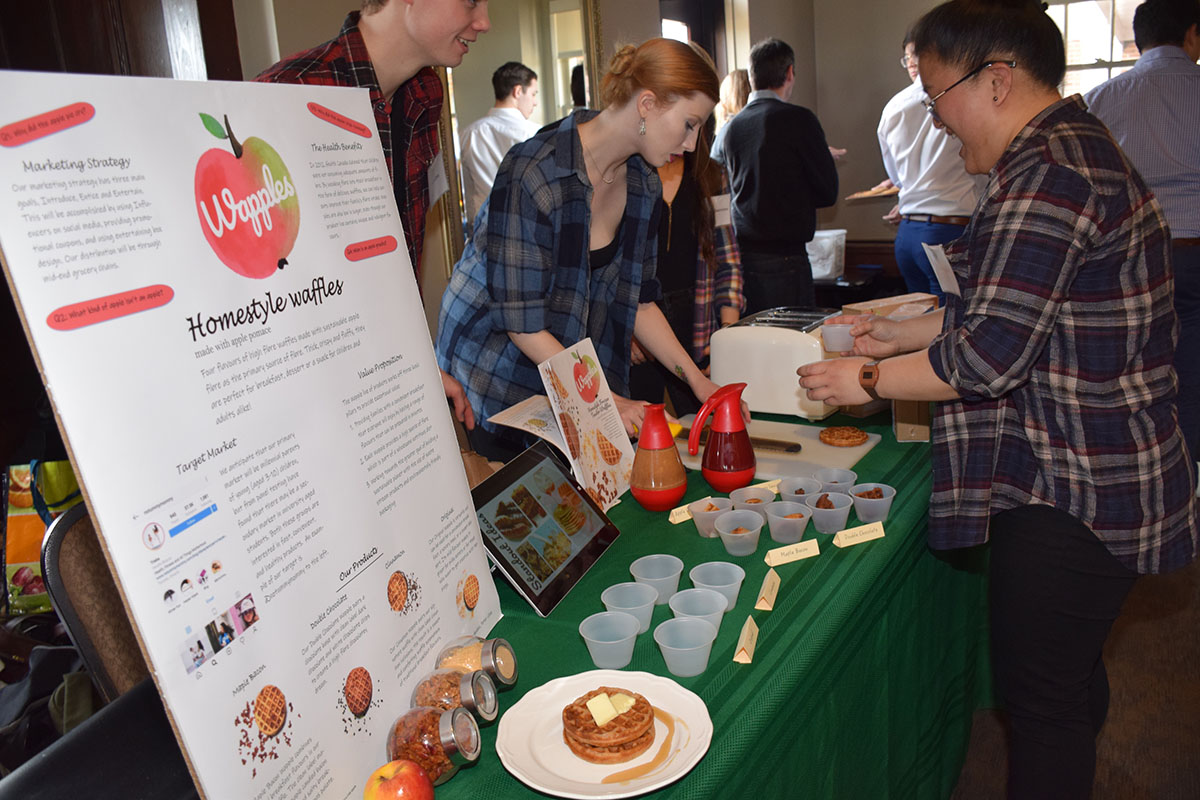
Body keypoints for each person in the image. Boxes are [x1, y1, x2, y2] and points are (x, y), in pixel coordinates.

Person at [797, 2, 1197, 797]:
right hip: (1093, 466)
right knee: (1068, 680)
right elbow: (1009, 305)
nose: (938, 122)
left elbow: (985, 356)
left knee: (1042, 703)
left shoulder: (1051, 173)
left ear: (998, 80)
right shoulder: (1058, 154)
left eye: (939, 96)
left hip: (1076, 485)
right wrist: (896, 337)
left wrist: (864, 381)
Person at [437, 38, 728, 461]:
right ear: (647, 103)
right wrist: (604, 401)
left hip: (569, 370)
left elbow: (640, 302)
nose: (691, 143)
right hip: (497, 373)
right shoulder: (536, 171)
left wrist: (700, 384)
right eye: (689, 124)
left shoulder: (643, 183)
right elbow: (522, 324)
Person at [256, 0, 484, 431]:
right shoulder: (290, 93)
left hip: (385, 381)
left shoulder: (425, 95)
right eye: (471, 1)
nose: (484, 21)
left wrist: (411, 365)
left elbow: (389, 269)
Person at [1085, 0, 1200, 478]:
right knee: (1193, 369)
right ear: (1193, 35)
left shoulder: (1100, 98)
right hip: (1196, 250)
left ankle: (1143, 474)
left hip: (1127, 258)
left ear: (1140, 38)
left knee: (1134, 369)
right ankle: (1188, 476)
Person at [711, 38, 838, 314]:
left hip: (740, 259)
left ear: (752, 75)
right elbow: (828, 191)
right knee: (793, 346)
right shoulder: (800, 121)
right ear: (789, 73)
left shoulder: (729, 129)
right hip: (787, 257)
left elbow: (717, 193)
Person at [628, 116, 744, 416]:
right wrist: (627, 329)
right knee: (643, 431)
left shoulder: (712, 175)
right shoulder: (631, 173)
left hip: (696, 317)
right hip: (639, 321)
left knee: (703, 423)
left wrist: (726, 340)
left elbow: (727, 260)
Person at [873, 28, 984, 300]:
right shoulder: (961, 99)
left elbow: (897, 177)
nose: (911, 64)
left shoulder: (893, 107)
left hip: (908, 234)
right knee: (948, 325)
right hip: (948, 229)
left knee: (919, 325)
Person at [459, 61, 540, 224]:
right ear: (517, 91)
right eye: (533, 94)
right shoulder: (536, 134)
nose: (535, 102)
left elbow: (468, 192)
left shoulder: (468, 134)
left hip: (484, 229)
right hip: (526, 229)